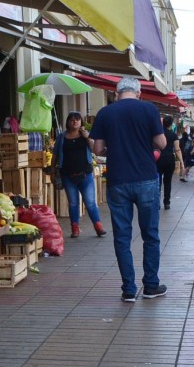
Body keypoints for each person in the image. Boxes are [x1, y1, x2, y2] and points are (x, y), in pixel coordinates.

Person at [89, 77, 167, 302]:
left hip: (117, 180)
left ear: (117, 92)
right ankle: (151, 285)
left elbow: (98, 149)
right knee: (150, 234)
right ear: (139, 92)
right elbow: (161, 143)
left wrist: (117, 149)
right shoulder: (148, 109)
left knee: (122, 237)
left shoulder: (106, 112)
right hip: (145, 178)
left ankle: (129, 289)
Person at [51, 111, 106, 238]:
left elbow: (94, 148)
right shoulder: (61, 137)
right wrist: (53, 170)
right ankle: (74, 228)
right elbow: (55, 155)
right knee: (73, 203)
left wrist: (87, 136)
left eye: (77, 119)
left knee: (90, 202)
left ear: (81, 122)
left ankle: (98, 227)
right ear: (68, 122)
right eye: (72, 119)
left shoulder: (85, 136)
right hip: (67, 175)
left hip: (85, 174)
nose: (75, 121)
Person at [156, 116, 179, 210]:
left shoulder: (158, 134)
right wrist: (181, 162)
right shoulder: (174, 135)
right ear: (171, 124)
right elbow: (177, 149)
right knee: (168, 182)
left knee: (157, 182)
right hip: (170, 160)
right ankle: (167, 202)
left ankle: (157, 203)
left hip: (158, 159)